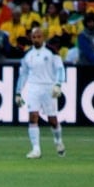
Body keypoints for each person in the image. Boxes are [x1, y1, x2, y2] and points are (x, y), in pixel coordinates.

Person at [15, 27, 67, 159]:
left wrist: (58, 84)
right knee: (33, 116)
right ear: (31, 38)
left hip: (49, 88)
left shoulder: (52, 51)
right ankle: (36, 149)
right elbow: (23, 74)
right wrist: (18, 92)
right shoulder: (27, 55)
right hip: (33, 88)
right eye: (34, 37)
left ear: (42, 37)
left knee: (52, 120)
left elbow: (60, 69)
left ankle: (58, 141)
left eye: (38, 36)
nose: (36, 39)